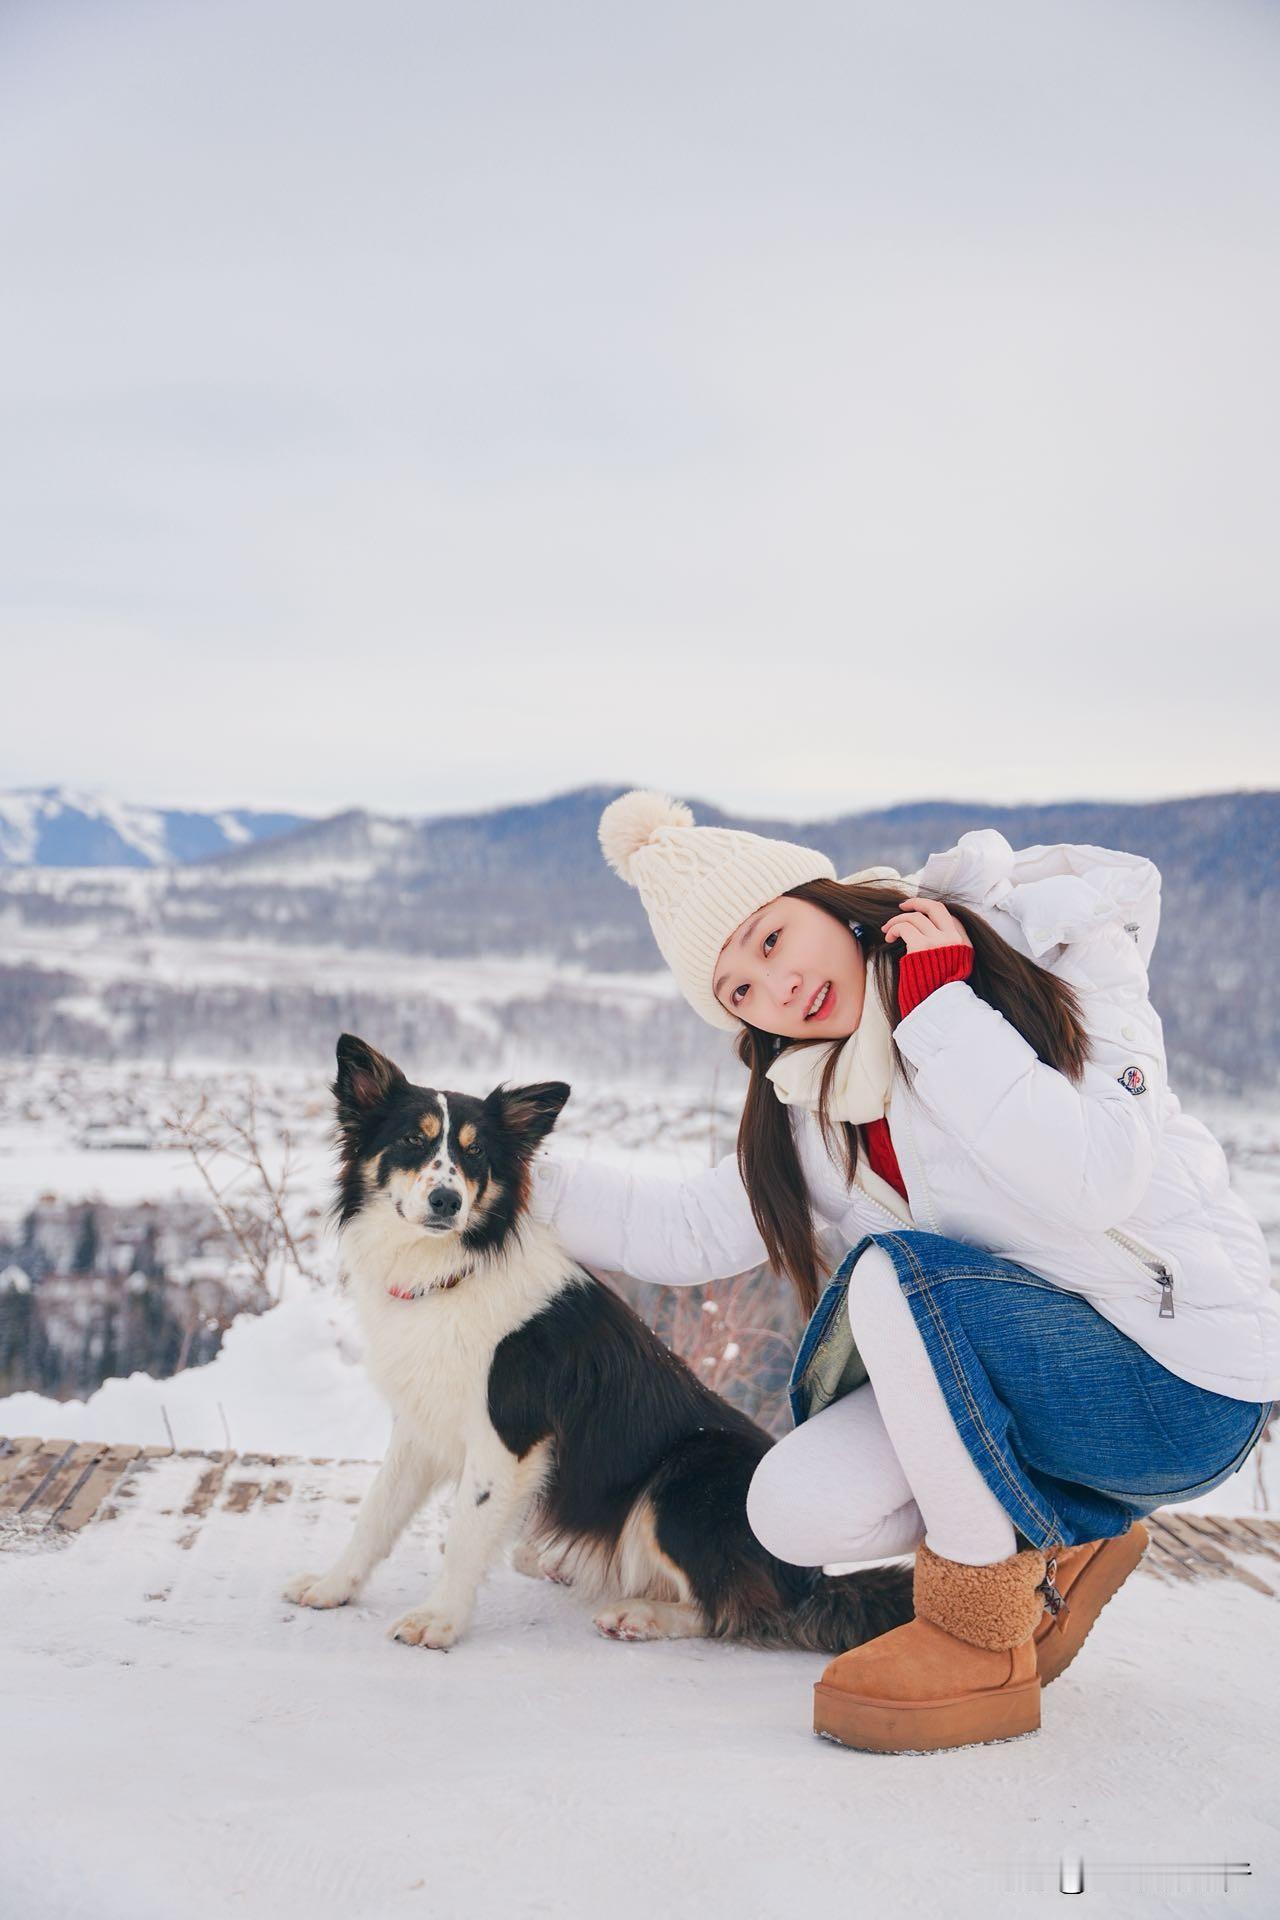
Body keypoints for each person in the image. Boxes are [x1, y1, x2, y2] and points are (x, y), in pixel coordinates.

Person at [528, 789, 1279, 1754]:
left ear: (825, 899)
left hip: (1184, 1384)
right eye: (739, 993)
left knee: (899, 1278)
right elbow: (684, 1229)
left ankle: (977, 1631)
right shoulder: (820, 1102)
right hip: (1048, 1391)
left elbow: (1093, 1180)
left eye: (769, 941)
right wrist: (500, 1173)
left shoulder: (1052, 954)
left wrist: (942, 1011)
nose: (777, 990)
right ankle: (1065, 1540)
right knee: (789, 1509)